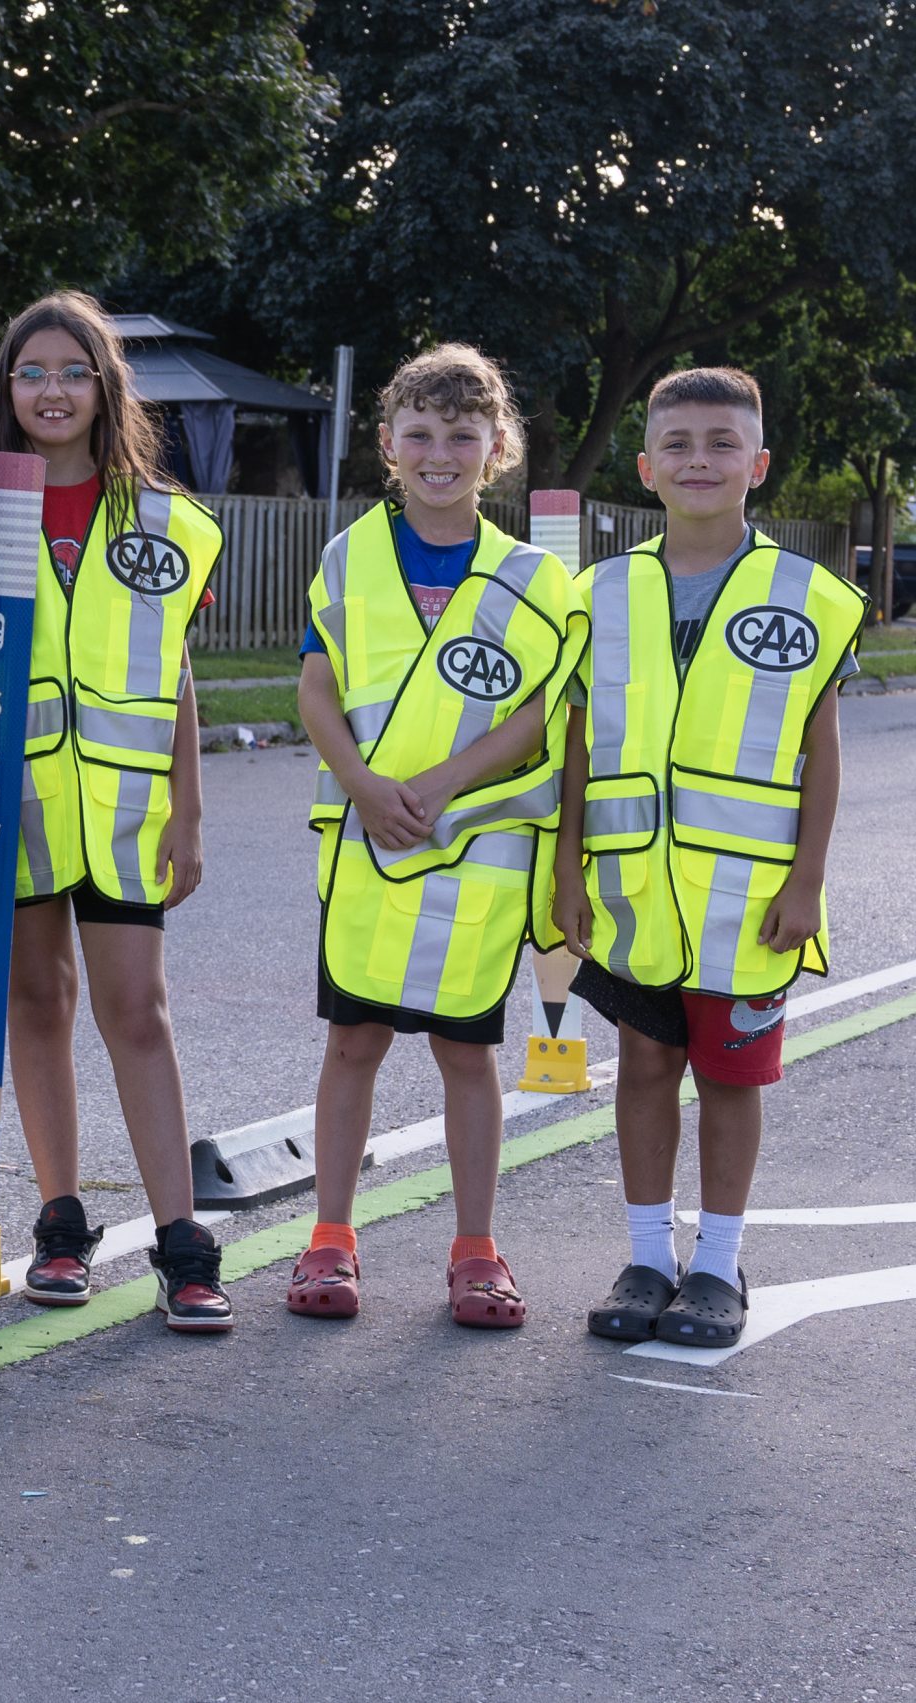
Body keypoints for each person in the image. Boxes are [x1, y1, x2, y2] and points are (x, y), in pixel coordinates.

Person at [558, 366, 862, 1348]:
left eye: (720, 442)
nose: (699, 459)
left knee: (729, 1080)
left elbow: (820, 747)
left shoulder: (805, 597)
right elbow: (574, 743)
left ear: (758, 465)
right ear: (645, 466)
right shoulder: (597, 594)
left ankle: (718, 1262)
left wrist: (807, 880)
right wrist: (565, 869)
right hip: (633, 894)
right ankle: (648, 1254)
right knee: (643, 1066)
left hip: (749, 898)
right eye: (678, 443)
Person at [291, 344, 582, 1328]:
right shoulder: (347, 556)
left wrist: (445, 779)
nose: (440, 452)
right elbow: (316, 685)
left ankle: (474, 1249)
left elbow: (542, 711)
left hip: (474, 851)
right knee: (353, 1042)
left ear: (497, 448)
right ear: (386, 444)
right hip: (366, 844)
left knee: (466, 1053)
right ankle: (329, 1237)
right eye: (419, 433)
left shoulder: (534, 577)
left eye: (462, 435)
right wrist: (365, 784)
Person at [0, 292, 231, 1332]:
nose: (52, 390)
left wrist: (190, 812)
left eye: (72, 370)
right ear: (6, 389)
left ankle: (181, 1239)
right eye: (31, 372)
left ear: (105, 385)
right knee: (37, 1005)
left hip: (124, 811)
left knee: (138, 1013)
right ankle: (61, 1221)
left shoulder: (163, 518)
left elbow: (176, 674)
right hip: (14, 801)